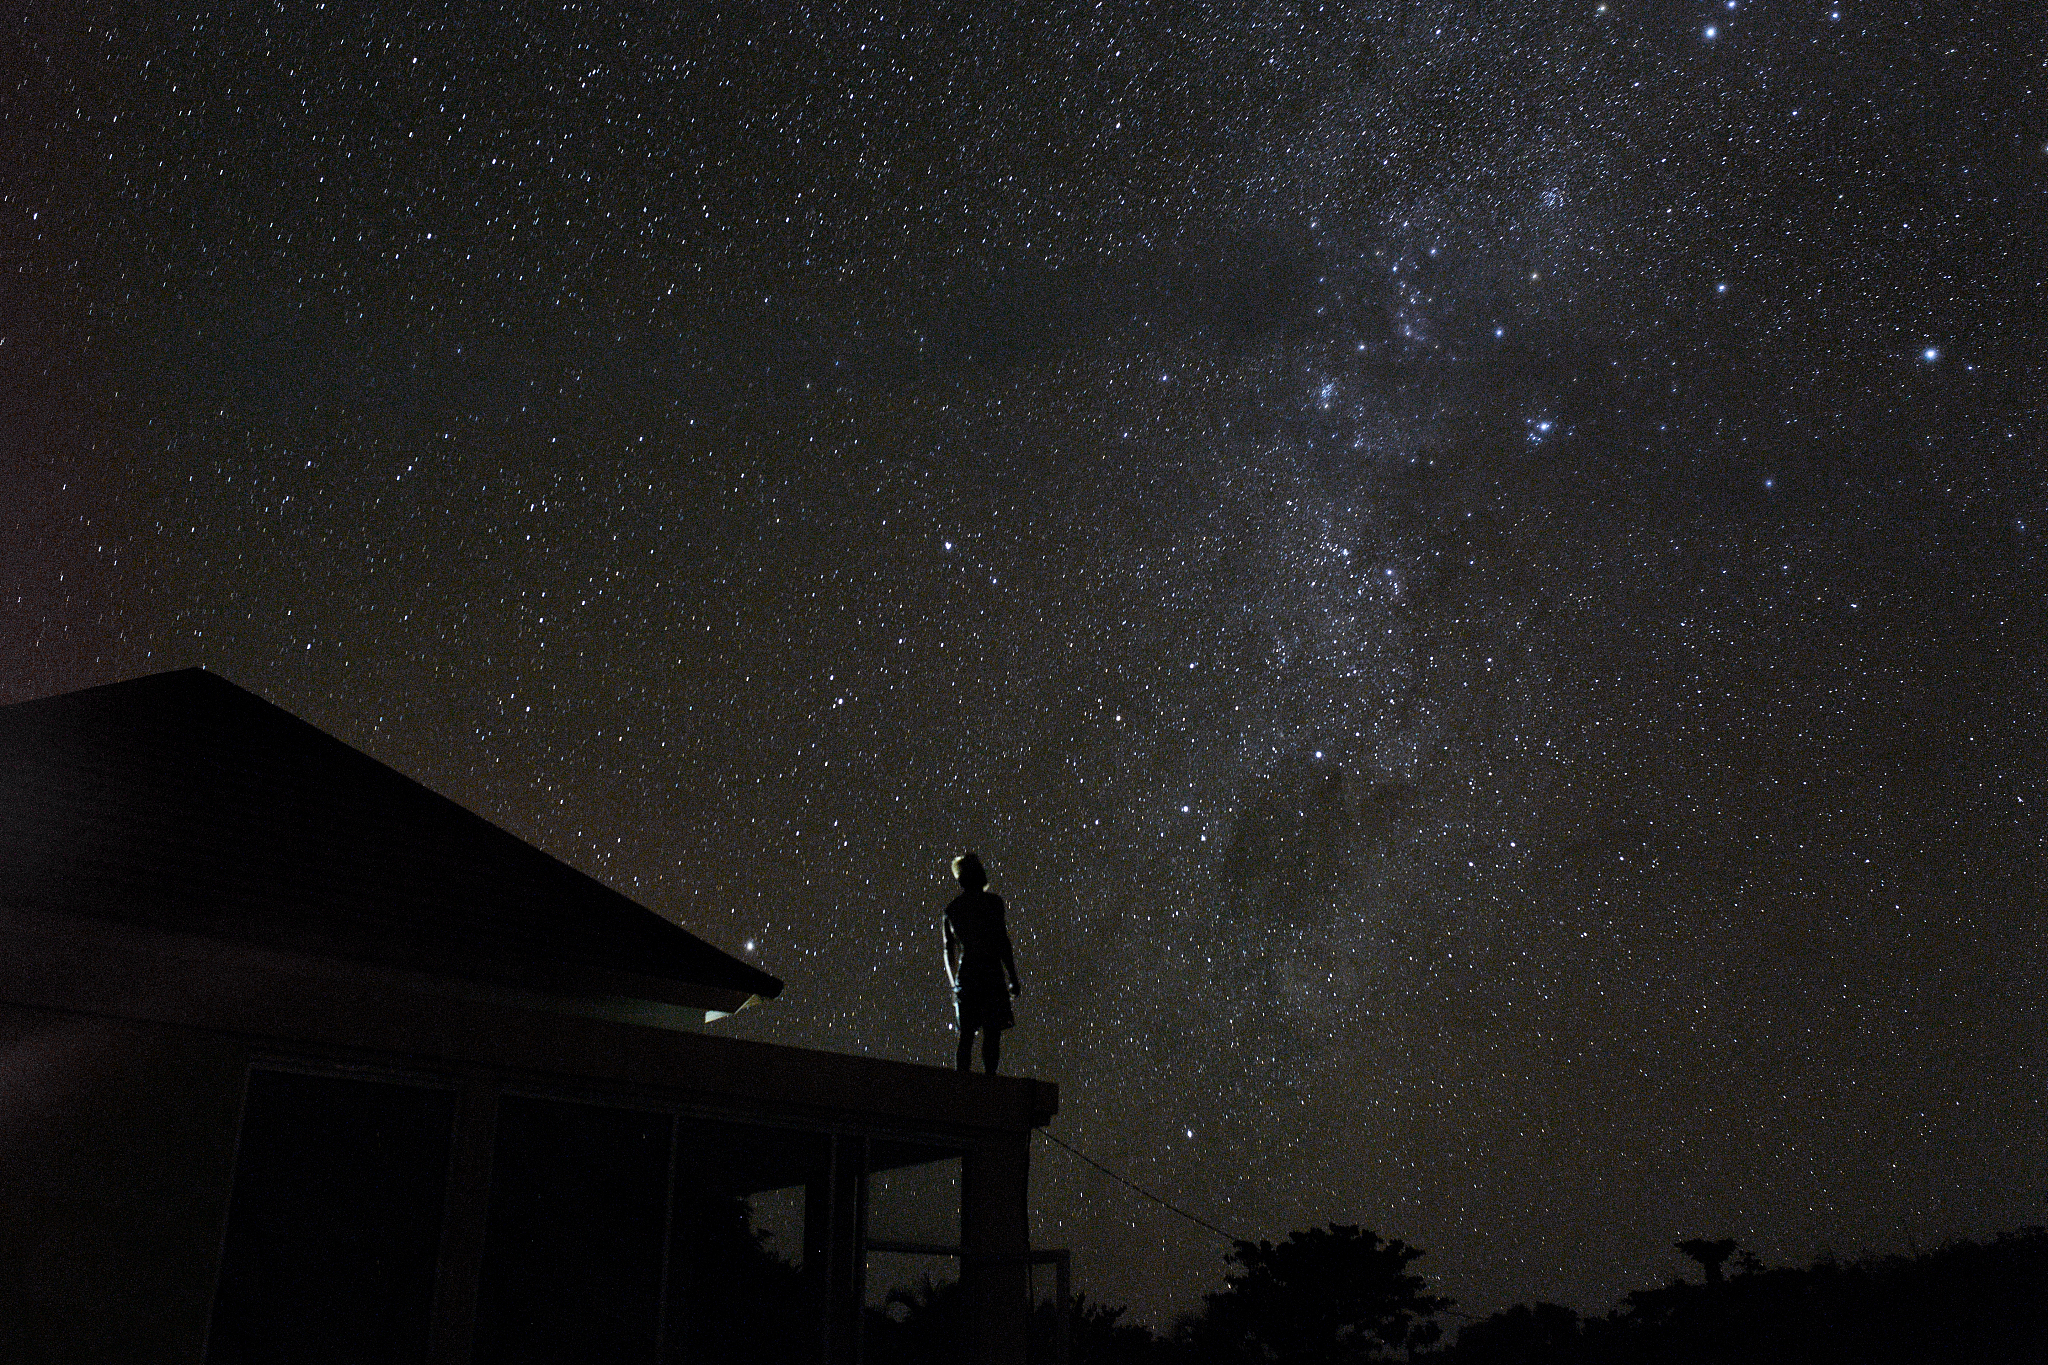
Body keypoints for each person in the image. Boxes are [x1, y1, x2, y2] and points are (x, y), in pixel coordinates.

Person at [942, 851, 1020, 1074]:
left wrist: (953, 982)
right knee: (991, 1032)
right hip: (990, 972)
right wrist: (1013, 977)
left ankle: (961, 1083)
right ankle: (989, 1082)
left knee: (966, 1034)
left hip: (967, 975)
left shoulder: (952, 910)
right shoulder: (993, 903)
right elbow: (1002, 941)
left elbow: (949, 952)